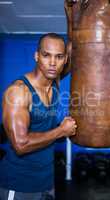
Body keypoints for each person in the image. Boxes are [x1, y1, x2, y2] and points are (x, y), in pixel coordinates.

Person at [0, 33, 77, 200]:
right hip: (19, 184)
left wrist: (74, 12)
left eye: (59, 57)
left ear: (64, 60)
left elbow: (73, 47)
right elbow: (20, 144)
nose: (52, 63)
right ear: (36, 56)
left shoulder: (54, 83)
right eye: (46, 55)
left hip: (46, 183)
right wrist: (61, 131)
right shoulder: (19, 92)